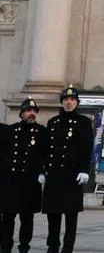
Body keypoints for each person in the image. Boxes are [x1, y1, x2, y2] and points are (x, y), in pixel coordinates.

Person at [38, 86, 93, 253]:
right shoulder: (53, 122)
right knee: (53, 215)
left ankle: (68, 247)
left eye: (72, 100)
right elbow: (45, 149)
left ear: (77, 102)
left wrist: (84, 169)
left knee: (71, 215)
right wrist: (42, 170)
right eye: (66, 100)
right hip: (54, 175)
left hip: (72, 175)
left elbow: (86, 147)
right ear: (62, 102)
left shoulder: (83, 122)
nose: (69, 102)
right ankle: (53, 245)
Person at [0, 98, 43, 253]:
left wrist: (43, 171)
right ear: (21, 113)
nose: (32, 113)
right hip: (11, 182)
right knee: (7, 218)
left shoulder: (42, 132)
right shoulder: (11, 131)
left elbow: (46, 155)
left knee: (27, 219)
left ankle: (24, 247)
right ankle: (5, 247)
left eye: (34, 111)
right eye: (28, 111)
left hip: (29, 183)